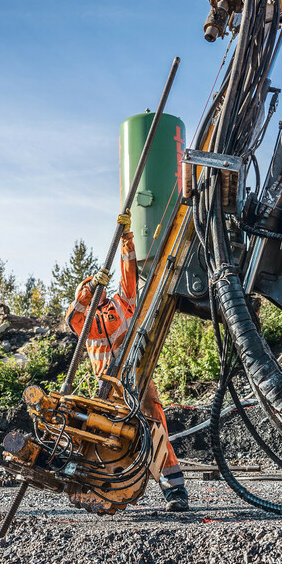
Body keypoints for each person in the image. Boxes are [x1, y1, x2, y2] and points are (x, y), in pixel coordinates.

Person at [65, 218, 190, 512]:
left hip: (136, 380)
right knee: (100, 437)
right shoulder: (87, 321)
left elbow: (129, 275)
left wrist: (127, 239)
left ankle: (175, 490)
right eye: (92, 291)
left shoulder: (122, 305)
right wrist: (88, 289)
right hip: (106, 388)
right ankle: (91, 486)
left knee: (155, 426)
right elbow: (74, 318)